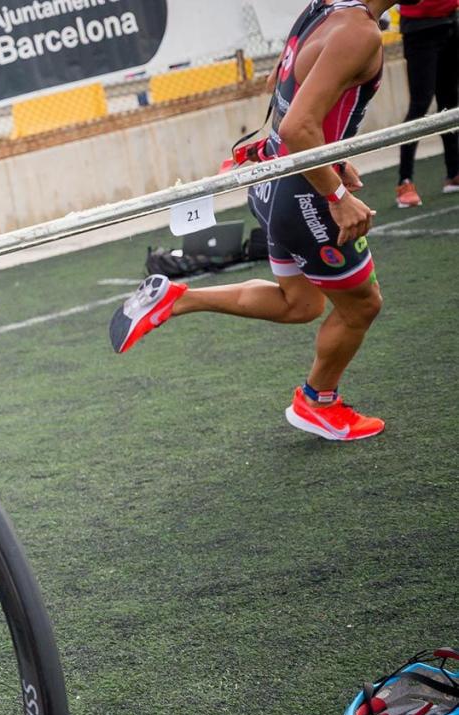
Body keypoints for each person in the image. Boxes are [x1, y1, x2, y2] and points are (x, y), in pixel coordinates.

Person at [109, 0, 394, 441]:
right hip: (302, 192)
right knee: (362, 305)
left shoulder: (325, 8)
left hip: (273, 181)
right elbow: (300, 125)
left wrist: (334, 158)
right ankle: (318, 403)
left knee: (300, 303)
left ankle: (177, 299)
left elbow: (279, 87)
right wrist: (335, 194)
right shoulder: (360, 32)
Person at [393, 0, 458, 206]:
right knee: (420, 105)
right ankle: (405, 181)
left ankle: (454, 173)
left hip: (450, 21)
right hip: (419, 28)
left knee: (450, 103)